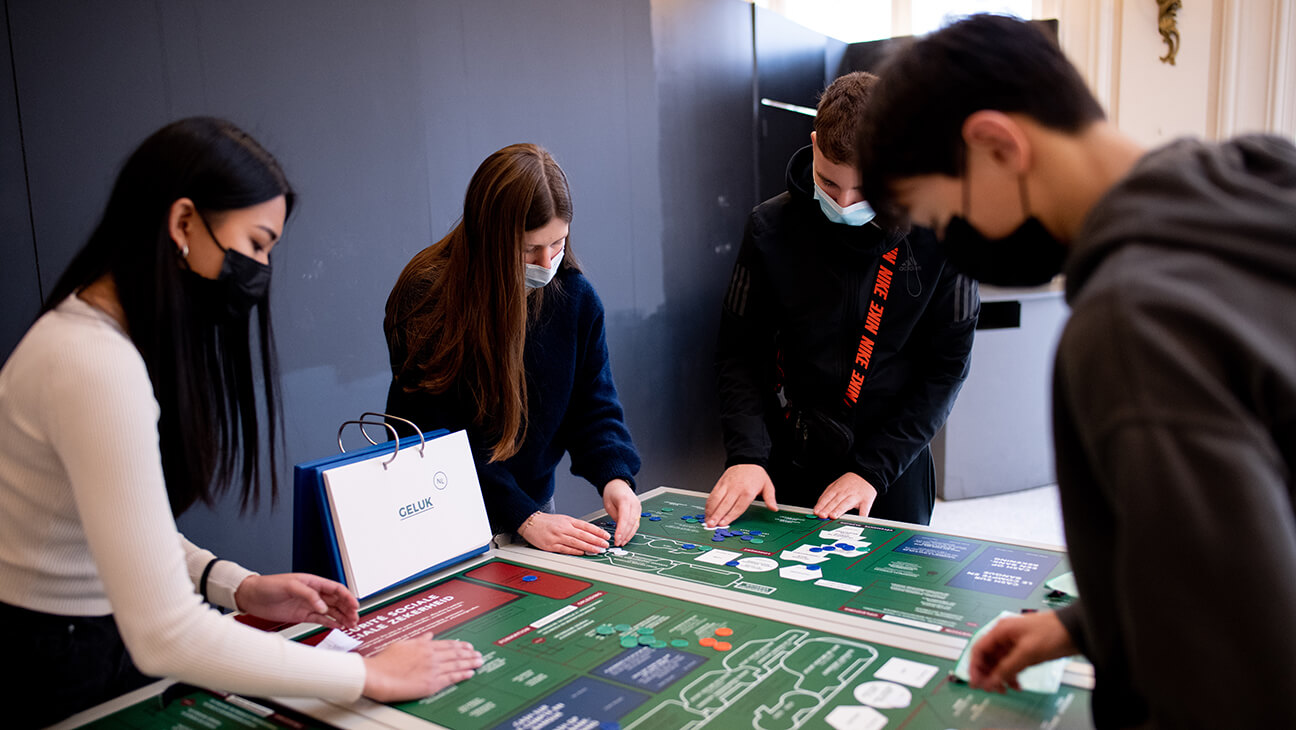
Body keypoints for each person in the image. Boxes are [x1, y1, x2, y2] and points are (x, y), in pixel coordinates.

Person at [857, 14, 1296, 728]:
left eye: (944, 219)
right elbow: (1229, 551)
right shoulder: (1264, 174)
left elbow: (1237, 669)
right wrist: (1084, 628)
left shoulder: (1132, 324)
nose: (952, 247)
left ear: (997, 144)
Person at [0, 118, 482, 728]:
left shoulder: (105, 342)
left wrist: (233, 585)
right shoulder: (93, 363)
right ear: (182, 224)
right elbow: (166, 635)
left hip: (92, 640)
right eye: (255, 244)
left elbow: (117, 529)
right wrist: (366, 673)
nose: (260, 270)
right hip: (62, 662)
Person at [706, 71, 979, 529]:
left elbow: (947, 367)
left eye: (865, 189)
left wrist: (874, 469)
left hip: (892, 461)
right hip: (794, 451)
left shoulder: (945, 234)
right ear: (814, 144)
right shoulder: (770, 229)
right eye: (830, 184)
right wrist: (748, 453)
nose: (847, 203)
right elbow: (739, 352)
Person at [384, 143, 642, 556]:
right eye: (527, 249)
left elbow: (593, 404)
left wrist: (616, 477)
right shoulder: (426, 298)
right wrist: (523, 515)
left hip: (532, 511)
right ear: (488, 237)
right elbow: (436, 437)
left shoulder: (576, 297)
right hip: (440, 510)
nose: (545, 261)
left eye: (557, 243)